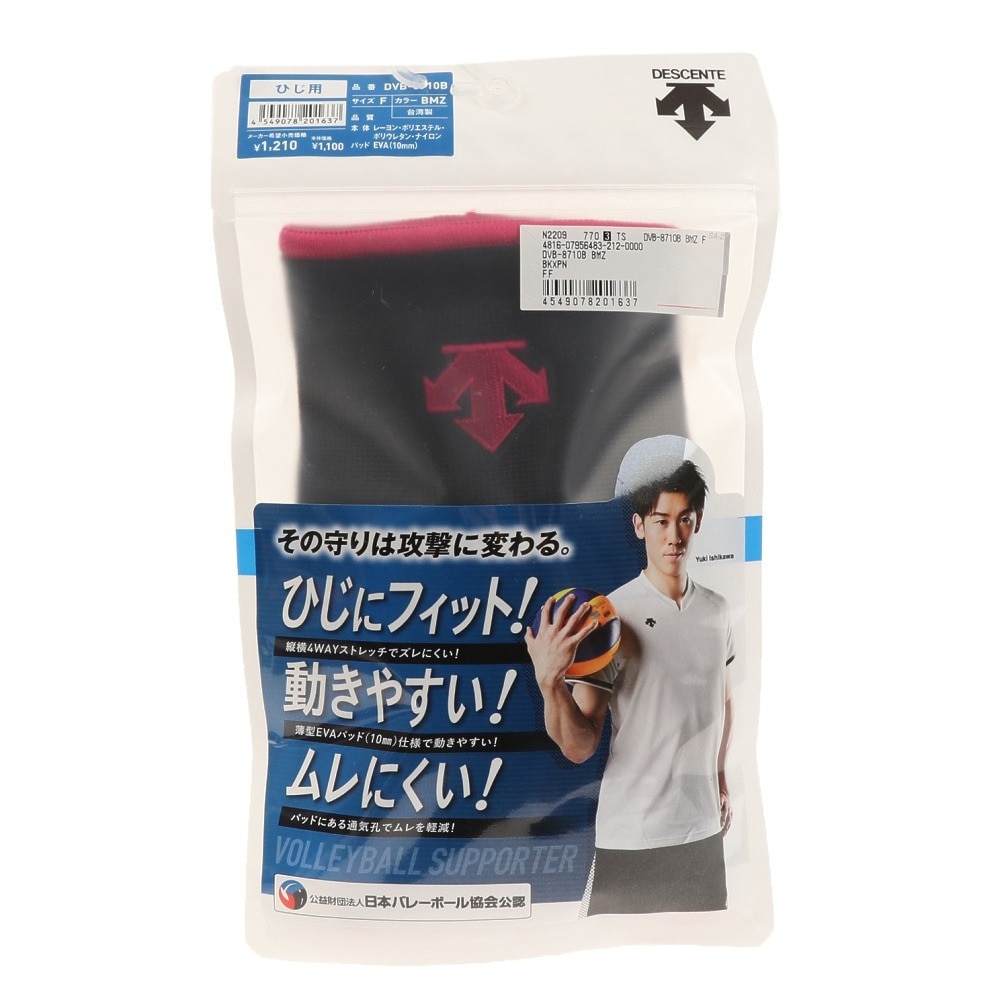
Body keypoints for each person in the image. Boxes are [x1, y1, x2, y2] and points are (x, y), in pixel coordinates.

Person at [526, 457, 733, 914]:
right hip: (632, 835)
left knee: (706, 954)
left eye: (684, 519)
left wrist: (720, 777)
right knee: (617, 957)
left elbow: (722, 698)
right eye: (661, 521)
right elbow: (579, 746)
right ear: (640, 526)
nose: (674, 535)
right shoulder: (610, 617)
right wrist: (550, 682)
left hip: (703, 833)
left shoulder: (718, 610)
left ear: (698, 522)